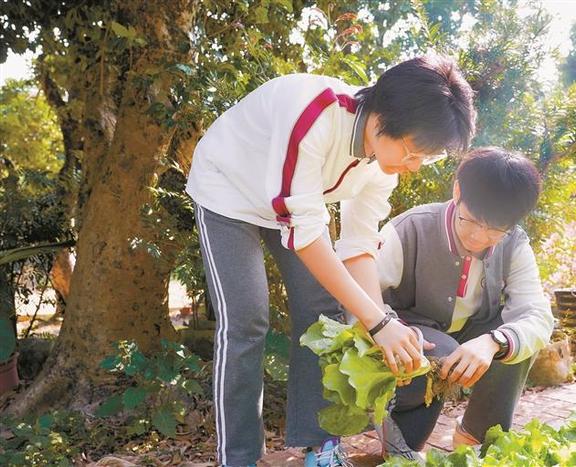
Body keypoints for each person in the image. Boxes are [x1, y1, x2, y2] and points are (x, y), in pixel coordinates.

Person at [185, 55, 477, 467]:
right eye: (413, 151)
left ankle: (320, 444)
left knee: (323, 311)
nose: (412, 166)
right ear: (382, 118)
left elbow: (357, 247)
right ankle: (239, 458)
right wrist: (379, 324)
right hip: (228, 191)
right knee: (246, 321)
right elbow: (305, 235)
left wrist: (378, 321)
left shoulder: (383, 166)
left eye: (424, 159)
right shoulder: (315, 115)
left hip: (292, 204)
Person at [373, 147, 554, 460]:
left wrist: (493, 342)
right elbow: (359, 300)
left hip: (468, 333)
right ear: (457, 191)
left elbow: (537, 315)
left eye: (496, 228)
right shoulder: (409, 229)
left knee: (514, 338)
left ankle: (475, 436)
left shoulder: (514, 242)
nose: (479, 237)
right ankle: (391, 423)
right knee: (441, 353)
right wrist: (393, 330)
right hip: (411, 343)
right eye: (471, 220)